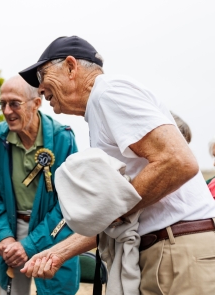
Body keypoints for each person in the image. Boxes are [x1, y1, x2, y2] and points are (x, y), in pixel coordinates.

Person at [18, 36, 215, 294]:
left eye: (43, 75)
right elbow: (117, 210)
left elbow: (179, 162)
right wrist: (58, 252)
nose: (40, 88)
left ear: (70, 67)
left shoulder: (109, 92)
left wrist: (114, 212)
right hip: (166, 251)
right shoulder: (100, 110)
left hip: (178, 252)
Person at [0, 75, 80, 295]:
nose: (7, 111)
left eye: (14, 103)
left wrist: (29, 245)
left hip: (54, 233)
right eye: (2, 104)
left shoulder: (62, 138)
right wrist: (4, 235)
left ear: (36, 103)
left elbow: (69, 204)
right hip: (12, 231)